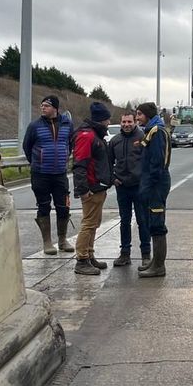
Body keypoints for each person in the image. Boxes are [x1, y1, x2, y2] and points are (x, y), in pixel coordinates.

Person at [22, 95, 73, 255]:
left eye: (47, 105)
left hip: (60, 173)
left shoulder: (67, 124)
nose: (43, 108)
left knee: (63, 207)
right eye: (42, 105)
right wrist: (37, 162)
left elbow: (70, 144)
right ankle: (47, 242)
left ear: (55, 109)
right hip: (40, 174)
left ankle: (63, 240)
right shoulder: (34, 126)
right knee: (44, 207)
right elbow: (27, 146)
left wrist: (64, 157)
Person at [72, 102, 114, 275]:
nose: (109, 123)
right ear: (102, 119)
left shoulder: (94, 134)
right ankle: (81, 260)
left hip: (98, 187)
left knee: (94, 223)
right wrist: (83, 189)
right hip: (91, 188)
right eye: (107, 119)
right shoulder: (87, 136)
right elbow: (79, 164)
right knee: (89, 224)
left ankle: (89, 255)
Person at [110, 112, 151, 267]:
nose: (126, 124)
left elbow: (149, 161)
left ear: (135, 122)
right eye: (124, 122)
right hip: (122, 188)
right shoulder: (115, 141)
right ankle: (125, 254)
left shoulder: (142, 138)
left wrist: (145, 181)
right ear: (120, 123)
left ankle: (146, 255)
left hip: (139, 187)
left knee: (143, 221)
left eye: (129, 121)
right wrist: (113, 178)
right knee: (124, 222)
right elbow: (108, 162)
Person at [136, 102, 172, 278]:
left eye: (139, 114)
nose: (137, 118)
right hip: (153, 183)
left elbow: (157, 163)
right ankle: (155, 261)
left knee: (157, 223)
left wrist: (148, 186)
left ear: (147, 115)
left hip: (156, 184)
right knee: (152, 220)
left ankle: (159, 266)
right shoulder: (152, 130)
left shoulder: (156, 132)